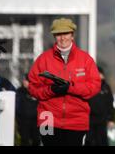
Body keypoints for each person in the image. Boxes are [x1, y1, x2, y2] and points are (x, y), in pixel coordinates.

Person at [28, 18, 101, 146]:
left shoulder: (85, 59)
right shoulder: (43, 59)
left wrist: (70, 88)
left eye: (65, 33)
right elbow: (33, 87)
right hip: (47, 118)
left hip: (76, 120)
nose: (62, 38)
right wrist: (51, 90)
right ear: (54, 36)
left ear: (72, 35)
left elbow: (94, 87)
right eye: (58, 34)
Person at [85, 66, 115, 146]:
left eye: (100, 74)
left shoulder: (106, 87)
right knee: (89, 140)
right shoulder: (87, 85)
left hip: (102, 119)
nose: (99, 75)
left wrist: (111, 118)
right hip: (89, 119)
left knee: (102, 140)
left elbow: (110, 103)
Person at [16, 73, 40, 146]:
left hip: (36, 122)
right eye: (24, 80)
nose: (24, 82)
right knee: (24, 140)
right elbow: (17, 107)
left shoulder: (37, 91)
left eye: (26, 80)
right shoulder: (20, 91)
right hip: (23, 121)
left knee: (36, 140)